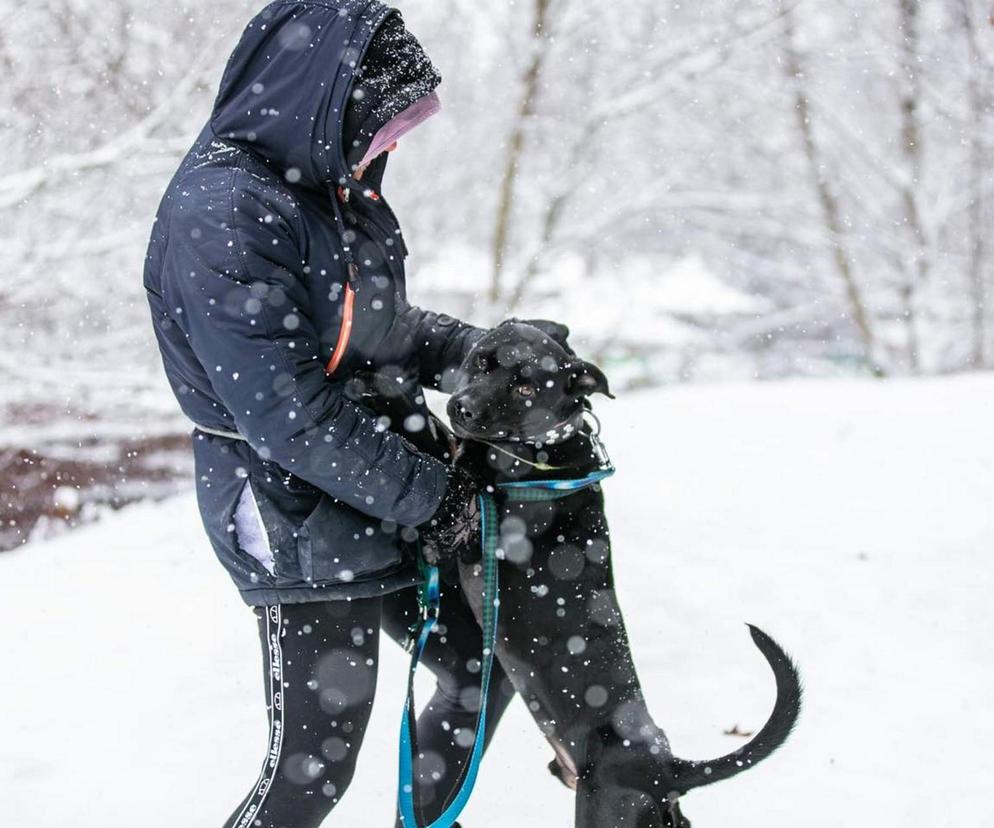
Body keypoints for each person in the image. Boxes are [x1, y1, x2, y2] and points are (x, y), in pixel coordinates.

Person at [143, 2, 515, 825]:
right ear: (324, 100)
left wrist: (489, 357)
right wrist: (433, 497)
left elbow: (379, 331)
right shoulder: (223, 210)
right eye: (382, 126)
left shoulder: (324, 194)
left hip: (370, 481)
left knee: (482, 663)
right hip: (290, 507)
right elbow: (285, 411)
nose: (389, 147)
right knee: (311, 773)